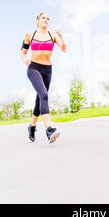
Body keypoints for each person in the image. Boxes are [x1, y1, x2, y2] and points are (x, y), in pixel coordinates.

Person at [20, 11, 67, 143]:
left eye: (48, 19)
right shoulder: (30, 34)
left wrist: (61, 36)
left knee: (40, 99)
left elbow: (63, 48)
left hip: (47, 70)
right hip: (34, 68)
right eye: (43, 18)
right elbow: (23, 52)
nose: (46, 20)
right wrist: (25, 60)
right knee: (44, 95)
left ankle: (32, 126)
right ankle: (49, 129)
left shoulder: (53, 35)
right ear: (38, 20)